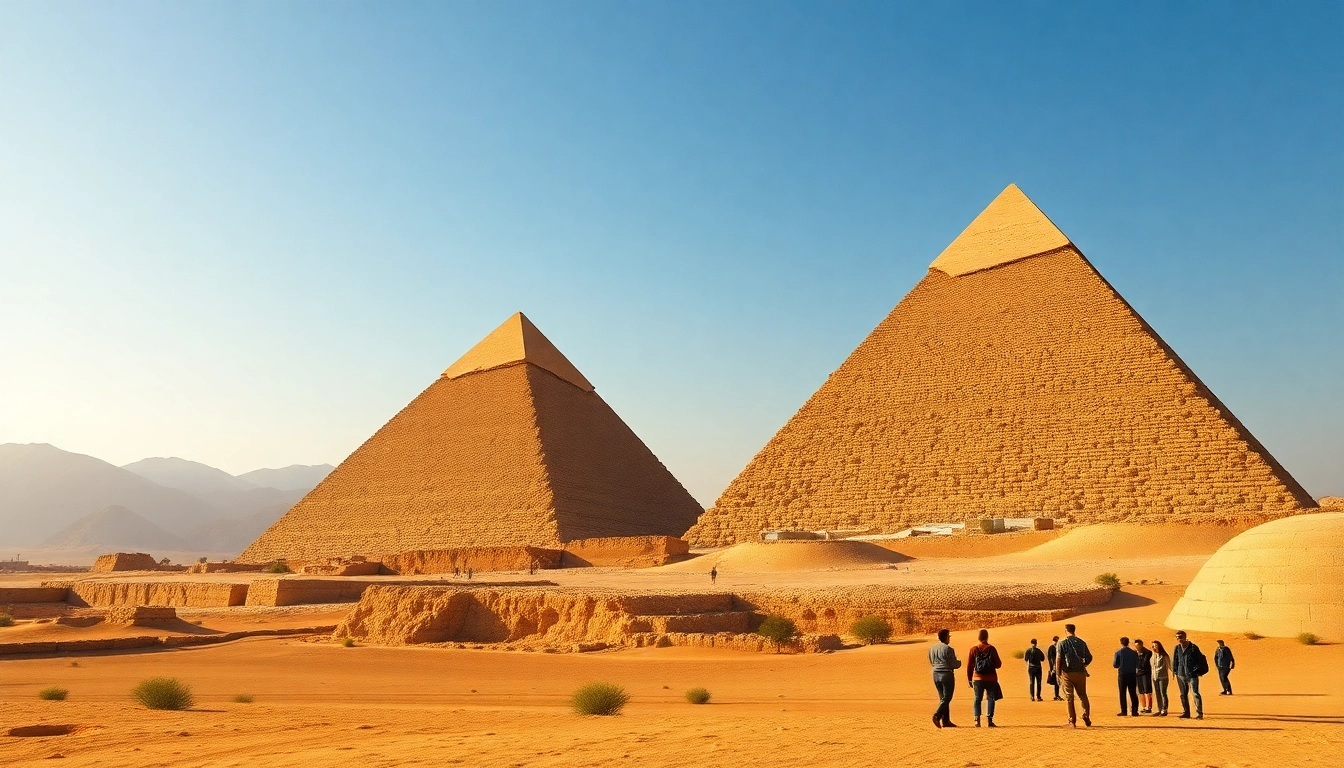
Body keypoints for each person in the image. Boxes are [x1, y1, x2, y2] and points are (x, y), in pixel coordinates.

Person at [1055, 623, 1093, 728]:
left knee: (1069, 697)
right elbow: (1089, 657)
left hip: (1067, 673)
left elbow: (1058, 659)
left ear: (1066, 630)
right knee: (1082, 695)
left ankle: (1072, 721)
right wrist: (1083, 665)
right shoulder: (1082, 643)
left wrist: (1058, 673)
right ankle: (1086, 715)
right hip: (1080, 673)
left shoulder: (1062, 643)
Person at [966, 629, 1004, 727]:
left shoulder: (973, 649)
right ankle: (989, 720)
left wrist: (969, 679)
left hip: (978, 678)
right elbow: (998, 664)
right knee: (991, 698)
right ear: (987, 637)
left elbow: (970, 666)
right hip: (991, 678)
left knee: (977, 698)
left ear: (978, 637)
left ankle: (976, 720)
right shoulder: (992, 649)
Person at [928, 628, 962, 728]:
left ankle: (946, 721)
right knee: (947, 697)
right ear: (946, 637)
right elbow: (954, 664)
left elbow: (930, 660)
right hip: (946, 674)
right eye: (949, 636)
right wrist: (959, 663)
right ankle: (937, 715)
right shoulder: (948, 649)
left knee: (943, 698)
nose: (949, 638)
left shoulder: (932, 648)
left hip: (935, 674)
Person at [1172, 630, 1206, 719]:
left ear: (1185, 637)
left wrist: (1196, 670)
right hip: (1180, 674)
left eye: (1180, 637)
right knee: (1183, 694)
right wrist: (1175, 671)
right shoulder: (1177, 648)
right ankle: (1186, 712)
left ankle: (1199, 713)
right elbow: (1175, 660)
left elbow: (1200, 659)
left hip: (1192, 675)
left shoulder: (1193, 647)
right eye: (1177, 637)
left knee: (1195, 693)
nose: (1179, 639)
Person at [1113, 636, 1139, 716]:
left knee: (1122, 692)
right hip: (1132, 674)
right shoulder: (1134, 653)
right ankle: (1134, 711)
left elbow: (1115, 665)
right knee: (1133, 692)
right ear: (1128, 643)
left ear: (1121, 643)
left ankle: (1124, 711)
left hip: (1123, 674)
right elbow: (1137, 663)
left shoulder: (1118, 652)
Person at [1150, 640, 1171, 716]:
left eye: (1156, 645)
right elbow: (1152, 667)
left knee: (1163, 693)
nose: (1154, 647)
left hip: (1163, 677)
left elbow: (1169, 665)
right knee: (1157, 693)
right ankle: (1159, 709)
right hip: (1155, 677)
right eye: (1153, 646)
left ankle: (1164, 709)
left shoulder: (1164, 655)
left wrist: (1174, 673)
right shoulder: (1152, 655)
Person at [1134, 638, 1154, 713]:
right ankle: (1144, 707)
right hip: (1138, 673)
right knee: (1141, 691)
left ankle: (1149, 707)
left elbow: (1145, 662)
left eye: (1138, 646)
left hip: (1146, 673)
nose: (1137, 648)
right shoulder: (1135, 652)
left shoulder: (1147, 652)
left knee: (1147, 690)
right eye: (1136, 646)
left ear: (1141, 645)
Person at [1046, 635, 1063, 700]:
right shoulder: (1051, 648)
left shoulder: (1056, 647)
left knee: (1057, 681)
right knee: (1056, 681)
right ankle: (1056, 695)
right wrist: (1053, 667)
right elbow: (1051, 658)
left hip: (1057, 666)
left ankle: (1057, 695)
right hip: (1054, 667)